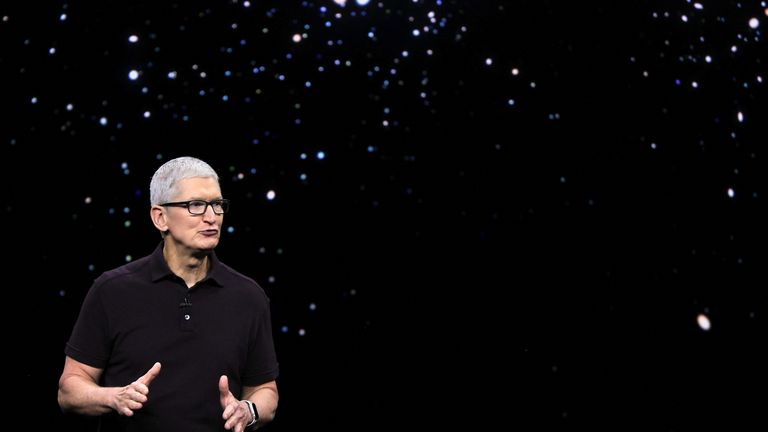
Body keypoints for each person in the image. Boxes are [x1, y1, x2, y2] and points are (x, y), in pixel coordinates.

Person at [58, 156, 279, 431]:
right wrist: (113, 397)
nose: (211, 217)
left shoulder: (249, 297)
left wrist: (249, 410)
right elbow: (69, 390)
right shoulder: (111, 291)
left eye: (217, 205)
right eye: (195, 205)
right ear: (160, 217)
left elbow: (265, 390)